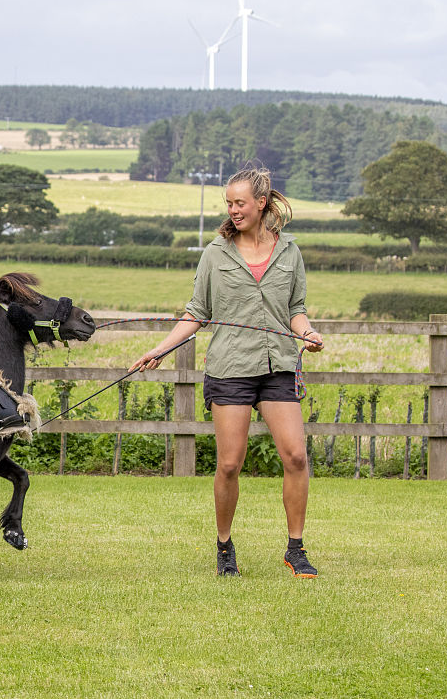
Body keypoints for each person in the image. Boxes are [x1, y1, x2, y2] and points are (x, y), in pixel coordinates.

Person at [129, 166, 324, 577]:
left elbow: (295, 310)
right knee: (230, 464)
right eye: (229, 204)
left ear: (261, 203)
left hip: (278, 366)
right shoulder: (215, 254)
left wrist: (308, 333)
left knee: (295, 455)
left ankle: (296, 548)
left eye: (240, 203)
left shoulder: (289, 251)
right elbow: (197, 313)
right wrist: (160, 349)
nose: (234, 210)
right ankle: (224, 547)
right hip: (231, 369)